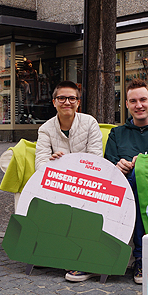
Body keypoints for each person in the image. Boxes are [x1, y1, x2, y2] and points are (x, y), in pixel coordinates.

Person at [35, 80, 103, 282]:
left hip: (86, 183)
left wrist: (75, 172)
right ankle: (53, 252)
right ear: (54, 102)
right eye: (62, 98)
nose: (67, 102)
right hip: (58, 182)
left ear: (78, 102)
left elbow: (96, 158)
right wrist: (52, 162)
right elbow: (40, 163)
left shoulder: (89, 123)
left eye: (72, 98)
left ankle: (84, 259)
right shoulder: (46, 129)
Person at [104, 79, 148, 284]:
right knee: (133, 179)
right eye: (133, 101)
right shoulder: (117, 133)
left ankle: (140, 256)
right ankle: (137, 257)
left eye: (143, 100)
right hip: (124, 191)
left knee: (139, 176)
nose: (139, 105)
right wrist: (118, 166)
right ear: (126, 105)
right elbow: (108, 165)